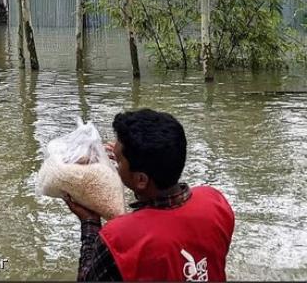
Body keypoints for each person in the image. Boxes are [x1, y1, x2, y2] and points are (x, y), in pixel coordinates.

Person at [63, 109, 235, 282]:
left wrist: (90, 222)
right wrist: (125, 165)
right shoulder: (214, 201)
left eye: (119, 160)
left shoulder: (118, 238)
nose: (115, 161)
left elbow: (87, 278)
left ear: (141, 179)